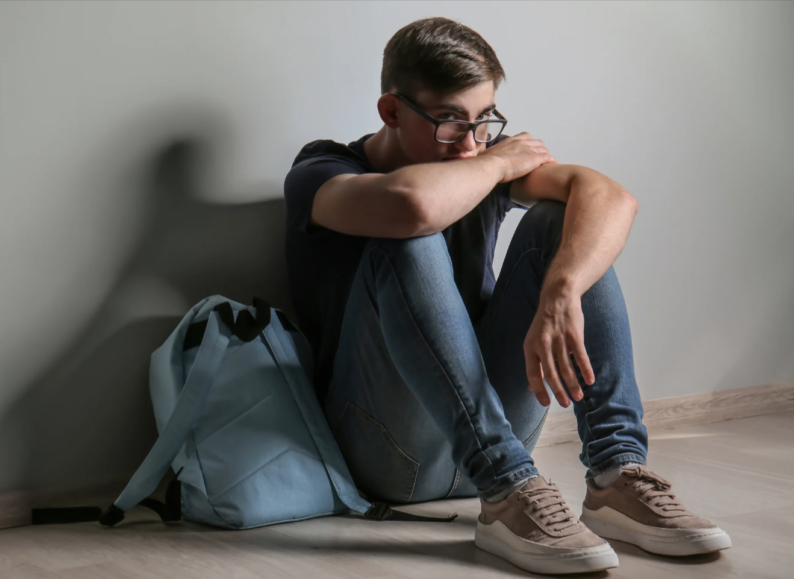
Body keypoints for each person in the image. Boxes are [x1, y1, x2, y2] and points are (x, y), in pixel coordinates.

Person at [282, 16, 730, 575]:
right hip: (385, 452)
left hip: (497, 429)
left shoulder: (473, 158)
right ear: (392, 111)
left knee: (561, 223)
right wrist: (498, 162)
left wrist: (562, 291)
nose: (469, 143)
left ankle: (617, 474)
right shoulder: (321, 170)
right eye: (449, 122)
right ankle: (504, 491)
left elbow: (612, 198)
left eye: (484, 122)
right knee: (408, 239)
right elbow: (411, 207)